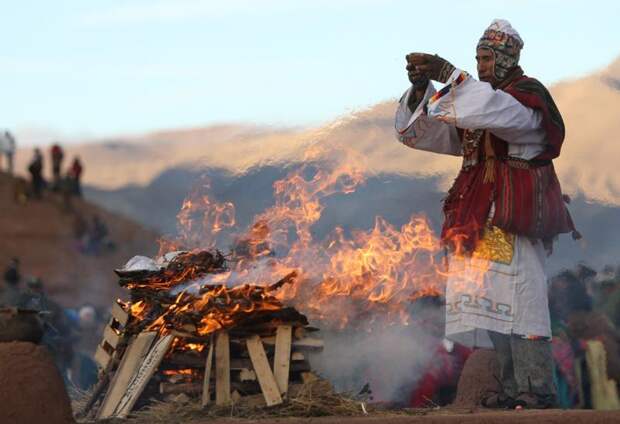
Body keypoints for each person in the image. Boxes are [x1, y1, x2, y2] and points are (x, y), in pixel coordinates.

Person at [395, 19, 578, 409]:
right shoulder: (482, 106)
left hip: (512, 220)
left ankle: (535, 388)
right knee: (490, 303)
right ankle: (510, 388)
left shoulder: (526, 99)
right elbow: (433, 132)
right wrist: (419, 90)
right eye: (476, 58)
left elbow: (497, 113)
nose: (479, 65)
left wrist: (446, 74)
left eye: (486, 57)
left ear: (506, 58)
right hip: (478, 222)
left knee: (523, 303)